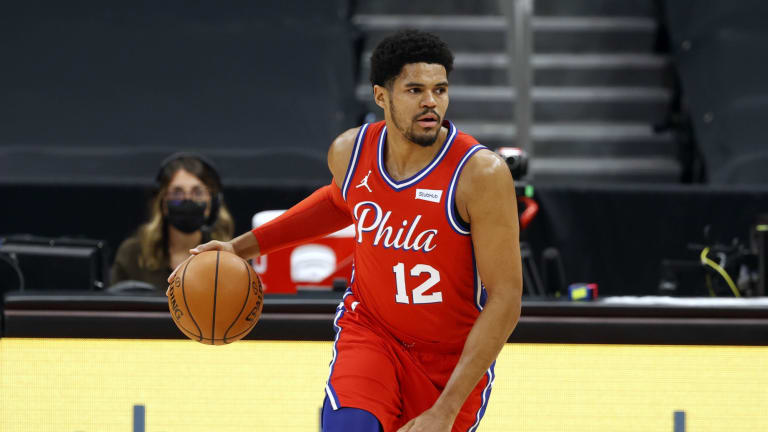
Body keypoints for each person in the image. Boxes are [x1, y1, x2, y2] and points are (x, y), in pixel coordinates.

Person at [168, 30, 522, 431]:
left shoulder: (480, 175)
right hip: (373, 333)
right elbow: (338, 203)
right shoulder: (350, 152)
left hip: (449, 361)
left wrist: (445, 409)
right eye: (415, 90)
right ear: (381, 96)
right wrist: (239, 248)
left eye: (440, 90)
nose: (431, 102)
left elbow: (506, 298)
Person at [111, 152, 234, 290]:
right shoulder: (132, 254)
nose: (187, 200)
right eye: (177, 193)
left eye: (198, 192)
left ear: (212, 204)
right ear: (163, 203)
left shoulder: (227, 258)